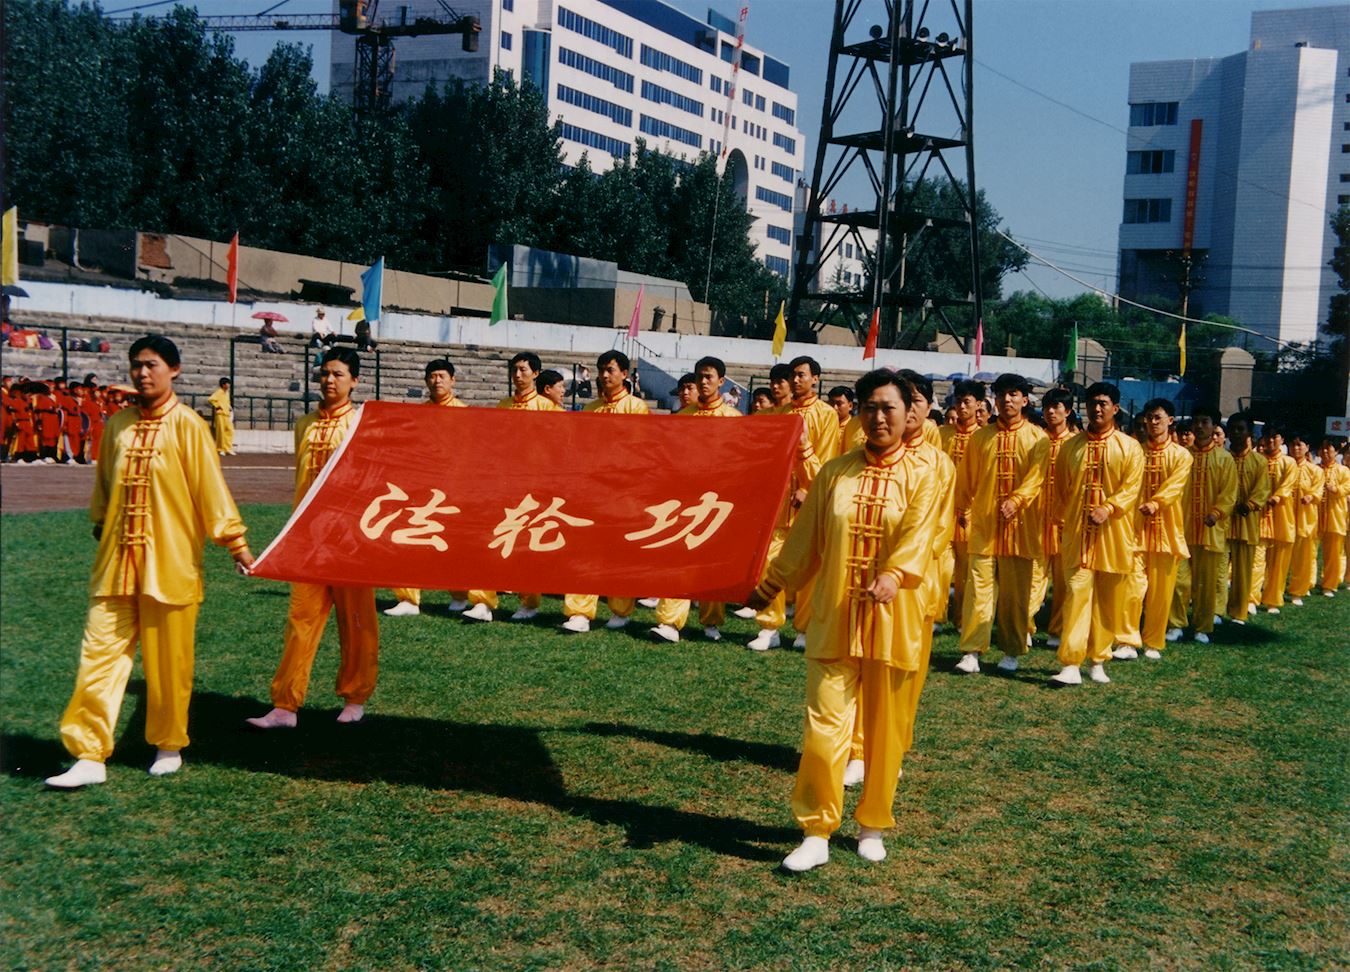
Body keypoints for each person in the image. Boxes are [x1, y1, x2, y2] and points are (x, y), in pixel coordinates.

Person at [747, 369, 938, 872]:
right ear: (858, 412)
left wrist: (896, 574)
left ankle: (873, 823)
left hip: (895, 619)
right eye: (870, 407)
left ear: (907, 414)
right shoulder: (835, 473)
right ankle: (816, 829)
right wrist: (768, 585)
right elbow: (804, 542)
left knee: (884, 731)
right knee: (824, 729)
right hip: (834, 616)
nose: (879, 417)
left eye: (889, 407)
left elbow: (920, 533)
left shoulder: (926, 472)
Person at [45, 336, 253, 789]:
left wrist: (236, 544)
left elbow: (210, 493)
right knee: (98, 657)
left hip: (171, 566)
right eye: (136, 365)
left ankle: (168, 744)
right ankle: (88, 753)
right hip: (115, 565)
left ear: (173, 370)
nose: (142, 373)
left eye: (152, 365)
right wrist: (103, 523)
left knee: (169, 663)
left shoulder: (189, 426)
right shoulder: (117, 424)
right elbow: (103, 486)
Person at [247, 347, 380, 729]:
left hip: (350, 540)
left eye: (338, 374)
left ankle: (355, 697)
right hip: (308, 541)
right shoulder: (304, 423)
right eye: (324, 373)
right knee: (300, 619)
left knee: (356, 621)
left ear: (354, 380)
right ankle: (285, 705)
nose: (329, 380)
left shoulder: (360, 424)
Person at [953, 373, 1049, 674]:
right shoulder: (981, 437)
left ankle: (1011, 650)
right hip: (984, 525)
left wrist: (1017, 500)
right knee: (978, 590)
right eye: (1002, 394)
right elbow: (966, 478)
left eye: (1013, 394)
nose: (1007, 399)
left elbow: (1037, 479)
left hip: (1022, 528)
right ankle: (971, 650)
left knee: (1015, 595)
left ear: (1024, 399)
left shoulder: (1037, 438)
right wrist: (960, 509)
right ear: (994, 400)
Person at [1048, 382, 1143, 686]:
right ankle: (1071, 663)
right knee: (1076, 594)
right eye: (1092, 403)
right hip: (1078, 535)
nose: (1097, 408)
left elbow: (1131, 488)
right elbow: (1062, 488)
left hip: (1113, 536)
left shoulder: (1129, 447)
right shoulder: (1071, 446)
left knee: (1106, 600)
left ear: (1116, 408)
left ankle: (1098, 658)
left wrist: (1110, 508)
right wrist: (1067, 519)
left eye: (1103, 403)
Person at [747, 355, 840, 651]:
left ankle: (805, 628)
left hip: (810, 506)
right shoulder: (780, 412)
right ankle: (769, 626)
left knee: (811, 570)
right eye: (793, 375)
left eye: (801, 375)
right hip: (778, 502)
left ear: (815, 378)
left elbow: (826, 463)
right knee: (769, 564)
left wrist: (808, 490)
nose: (796, 380)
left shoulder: (826, 414)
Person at [464, 352, 561, 624]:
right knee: (491, 541)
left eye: (523, 370)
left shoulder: (548, 407)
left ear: (536, 374)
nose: (517, 376)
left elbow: (559, 447)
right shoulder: (503, 404)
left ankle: (529, 603)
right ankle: (482, 602)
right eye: (514, 370)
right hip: (504, 484)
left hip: (535, 486)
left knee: (527, 546)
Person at [651, 357, 740, 644]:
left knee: (711, 563)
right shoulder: (683, 418)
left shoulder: (734, 420)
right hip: (685, 501)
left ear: (721, 381)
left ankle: (711, 621)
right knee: (677, 560)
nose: (703, 382)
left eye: (709, 377)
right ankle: (669, 622)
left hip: (717, 503)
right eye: (700, 376)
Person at [562, 350, 649, 633]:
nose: (604, 375)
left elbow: (640, 452)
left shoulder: (636, 408)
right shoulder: (590, 409)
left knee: (619, 552)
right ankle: (579, 611)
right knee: (584, 550)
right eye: (601, 370)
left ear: (624, 374)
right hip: (593, 491)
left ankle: (621, 610)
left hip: (624, 492)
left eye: (610, 370)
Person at [385, 359, 470, 618]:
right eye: (432, 376)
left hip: (455, 489)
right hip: (423, 490)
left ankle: (460, 594)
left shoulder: (466, 414)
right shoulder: (418, 414)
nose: (437, 381)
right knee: (408, 540)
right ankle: (408, 599)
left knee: (455, 546)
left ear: (453, 380)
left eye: (442, 376)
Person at [1114, 398, 1191, 662]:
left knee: (1160, 593)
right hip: (1134, 530)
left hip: (1167, 532)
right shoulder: (1135, 451)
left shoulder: (1182, 456)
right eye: (1149, 418)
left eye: (1157, 417)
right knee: (1132, 588)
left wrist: (1156, 503)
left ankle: (1154, 641)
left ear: (1171, 420)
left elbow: (1174, 486)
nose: (1152, 423)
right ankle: (1126, 640)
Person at [1173, 405, 1236, 643]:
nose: (1199, 426)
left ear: (1214, 426)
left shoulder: (1224, 459)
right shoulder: (1182, 455)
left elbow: (1229, 493)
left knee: (1206, 584)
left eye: (1205, 422)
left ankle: (1202, 627)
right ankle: (1176, 623)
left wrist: (1217, 512)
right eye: (1196, 422)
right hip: (1182, 527)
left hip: (1211, 530)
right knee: (1179, 581)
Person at [938, 380, 984, 627]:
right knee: (942, 566)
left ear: (979, 405)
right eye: (959, 401)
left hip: (972, 512)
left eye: (967, 402)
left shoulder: (983, 437)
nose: (962, 406)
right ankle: (937, 613)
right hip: (943, 510)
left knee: (967, 571)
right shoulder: (942, 434)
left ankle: (963, 617)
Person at [1032, 387, 1074, 648]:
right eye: (1047, 406)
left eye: (1056, 407)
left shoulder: (1075, 443)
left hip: (1065, 523)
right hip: (1036, 519)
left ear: (1067, 412)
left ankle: (1057, 630)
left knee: (1062, 582)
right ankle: (1025, 626)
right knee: (1033, 578)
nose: (1050, 411)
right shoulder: (1037, 440)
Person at [1221, 413, 1269, 624]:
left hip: (1246, 524)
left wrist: (1248, 505)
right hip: (1221, 523)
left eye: (1241, 429)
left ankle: (1238, 612)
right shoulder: (1222, 458)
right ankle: (1216, 610)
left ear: (1250, 433)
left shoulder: (1259, 461)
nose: (1236, 433)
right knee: (1219, 570)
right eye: (1232, 429)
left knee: (1242, 572)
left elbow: (1263, 490)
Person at [1256, 426, 1297, 614]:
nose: (1271, 441)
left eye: (1275, 437)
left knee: (1279, 563)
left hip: (1281, 517)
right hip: (1259, 517)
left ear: (1281, 440)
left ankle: (1273, 599)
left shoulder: (1289, 463)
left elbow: (1288, 485)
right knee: (1256, 560)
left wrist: (1278, 496)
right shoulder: (1258, 461)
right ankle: (1251, 597)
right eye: (1268, 438)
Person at [1286, 433, 1323, 604]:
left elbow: (1318, 491)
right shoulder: (1285, 466)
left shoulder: (1315, 470)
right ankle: (1274, 589)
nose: (1296, 448)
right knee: (1280, 558)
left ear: (1307, 447)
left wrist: (1310, 496)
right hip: (1285, 519)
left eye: (1300, 445)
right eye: (1293, 445)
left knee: (1303, 559)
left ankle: (1297, 592)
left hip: (1305, 520)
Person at [1317, 438, 1350, 595]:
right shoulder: (1315, 468)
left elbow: (1346, 488)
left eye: (1328, 449)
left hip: (1334, 517)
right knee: (1309, 552)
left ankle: (1329, 584)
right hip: (1314, 516)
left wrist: (1335, 489)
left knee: (1333, 554)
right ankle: (1307, 582)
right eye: (1322, 449)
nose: (1324, 452)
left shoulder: (1343, 471)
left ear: (1336, 452)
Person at [207, 377, 236, 457]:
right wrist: (218, 406)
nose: (229, 385)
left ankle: (228, 448)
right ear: (223, 385)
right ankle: (221, 449)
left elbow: (227, 402)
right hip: (220, 414)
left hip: (227, 414)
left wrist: (229, 408)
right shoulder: (219, 392)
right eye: (227, 383)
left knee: (230, 430)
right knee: (221, 432)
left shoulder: (227, 393)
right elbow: (211, 399)